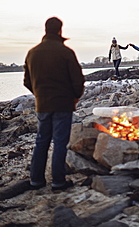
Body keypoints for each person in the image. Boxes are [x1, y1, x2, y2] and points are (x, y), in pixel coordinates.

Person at [23, 17, 85, 190]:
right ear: (60, 30)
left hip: (42, 104)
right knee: (59, 142)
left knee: (41, 141)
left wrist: (39, 94)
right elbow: (78, 80)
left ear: (45, 29)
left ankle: (36, 180)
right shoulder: (66, 52)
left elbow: (27, 81)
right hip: (63, 105)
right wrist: (74, 97)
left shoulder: (32, 53)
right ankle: (58, 181)